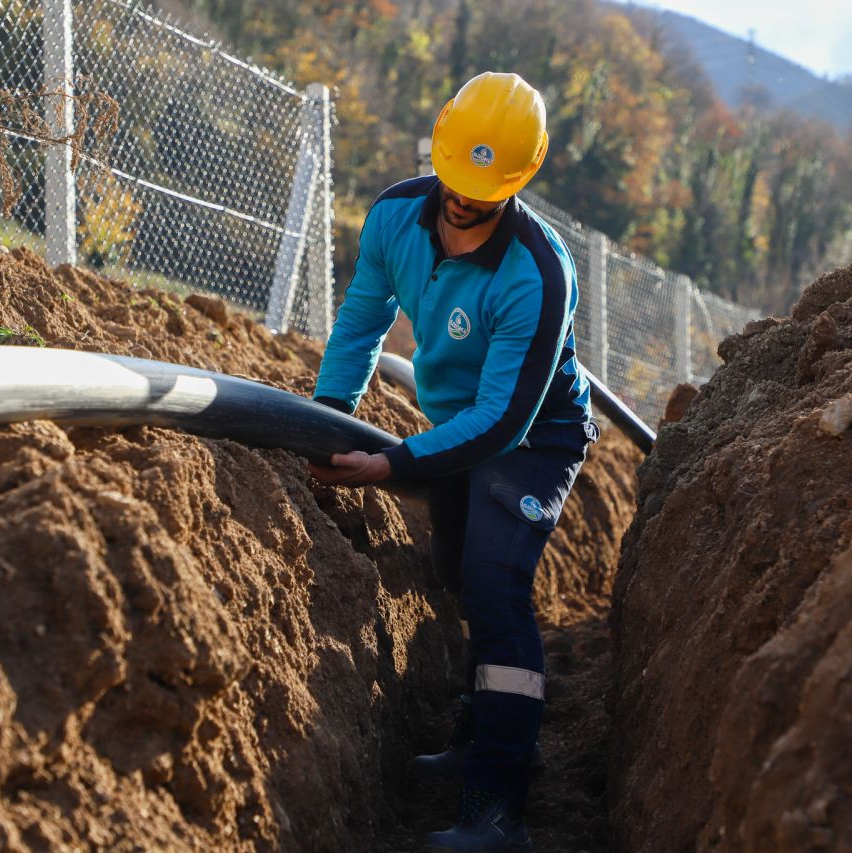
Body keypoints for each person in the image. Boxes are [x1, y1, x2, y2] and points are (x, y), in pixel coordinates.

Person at [309, 71, 595, 852]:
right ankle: (479, 731)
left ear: (519, 179)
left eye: (484, 189)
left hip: (533, 440)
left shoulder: (538, 272)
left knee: (497, 585)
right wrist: (326, 418)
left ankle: (498, 806)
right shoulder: (396, 216)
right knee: (457, 571)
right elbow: (363, 320)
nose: (463, 201)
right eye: (456, 182)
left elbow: (504, 420)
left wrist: (395, 464)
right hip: (457, 427)